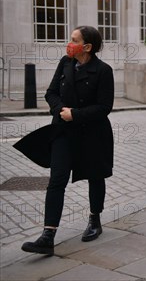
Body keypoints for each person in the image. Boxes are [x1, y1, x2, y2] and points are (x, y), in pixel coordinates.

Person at [19, 26, 114, 255]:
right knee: (57, 179)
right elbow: (51, 92)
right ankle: (48, 235)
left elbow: (104, 107)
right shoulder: (65, 62)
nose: (68, 43)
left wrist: (77, 114)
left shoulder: (103, 70)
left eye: (74, 40)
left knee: (95, 176)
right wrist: (61, 109)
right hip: (63, 131)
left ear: (87, 47)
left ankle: (94, 220)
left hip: (92, 133)